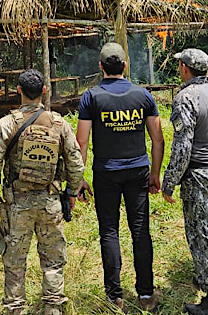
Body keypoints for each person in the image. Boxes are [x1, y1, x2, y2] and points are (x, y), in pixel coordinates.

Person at [0, 69, 85, 315]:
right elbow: (75, 161)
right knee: (53, 260)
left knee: (14, 260)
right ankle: (53, 307)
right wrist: (71, 191)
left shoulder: (6, 124)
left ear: (18, 91)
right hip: (50, 201)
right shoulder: (59, 124)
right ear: (44, 91)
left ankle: (15, 309)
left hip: (17, 203)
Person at [75, 42, 164, 312]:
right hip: (138, 170)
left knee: (109, 231)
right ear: (125, 66)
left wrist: (79, 177)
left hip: (106, 173)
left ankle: (114, 295)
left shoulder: (91, 97)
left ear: (100, 67)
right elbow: (157, 139)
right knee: (140, 231)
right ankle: (146, 294)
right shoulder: (143, 96)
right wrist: (156, 173)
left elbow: (81, 142)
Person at [162, 49, 208, 315]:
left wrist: (169, 180)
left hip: (199, 174)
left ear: (184, 68)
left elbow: (182, 146)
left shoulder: (185, 97)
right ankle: (207, 276)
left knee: (204, 234)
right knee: (205, 227)